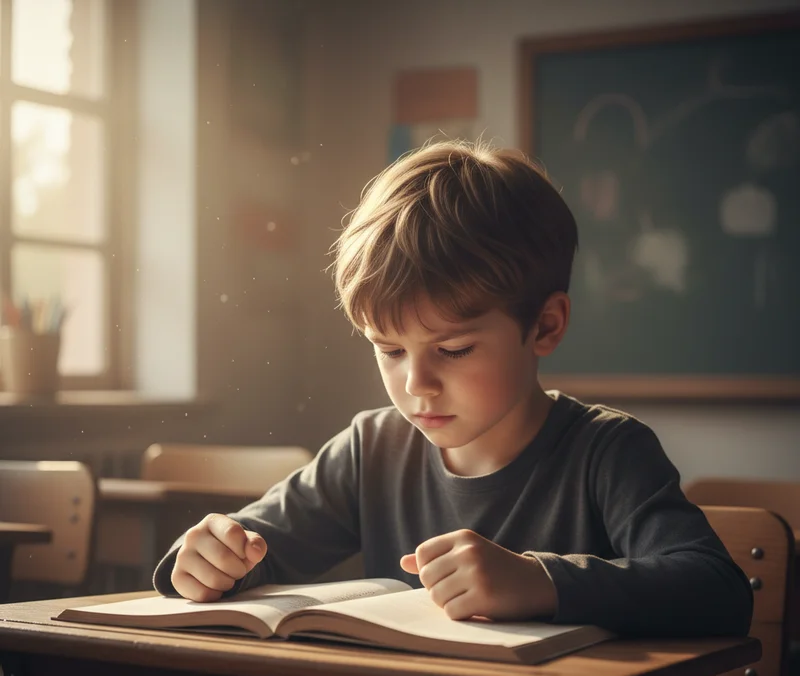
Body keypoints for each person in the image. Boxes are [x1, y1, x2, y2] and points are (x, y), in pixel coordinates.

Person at [153, 140, 752, 637]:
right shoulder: (372, 448)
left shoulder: (607, 452)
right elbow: (258, 547)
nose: (416, 385)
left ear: (545, 325)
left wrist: (541, 582)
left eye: (454, 350)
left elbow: (718, 591)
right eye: (389, 350)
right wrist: (208, 557)